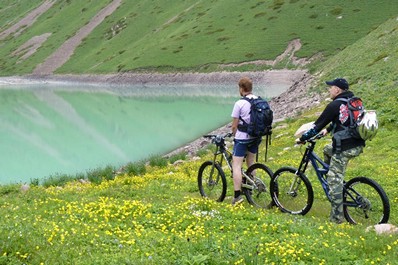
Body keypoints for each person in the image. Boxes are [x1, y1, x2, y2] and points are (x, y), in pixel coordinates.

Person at [297, 78, 365, 223]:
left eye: (331, 87)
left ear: (338, 90)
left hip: (345, 147)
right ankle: (333, 174)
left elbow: (316, 126)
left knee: (334, 182)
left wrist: (303, 139)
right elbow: (343, 120)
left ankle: (336, 219)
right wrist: (327, 131)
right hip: (358, 144)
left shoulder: (334, 105)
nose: (329, 90)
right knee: (328, 149)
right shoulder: (351, 101)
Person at [230, 77, 263, 205]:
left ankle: (237, 196)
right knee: (251, 162)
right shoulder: (258, 100)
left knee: (236, 165)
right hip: (256, 137)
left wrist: (234, 135)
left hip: (242, 138)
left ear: (241, 89)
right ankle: (251, 187)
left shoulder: (240, 103)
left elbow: (234, 125)